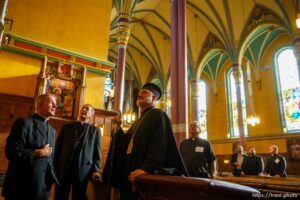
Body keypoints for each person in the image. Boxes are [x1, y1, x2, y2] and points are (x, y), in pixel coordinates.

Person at [114, 83, 187, 200]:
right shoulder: (138, 121)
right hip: (130, 175)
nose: (140, 94)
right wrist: (117, 127)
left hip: (143, 179)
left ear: (154, 98)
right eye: (140, 92)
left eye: (145, 92)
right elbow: (125, 143)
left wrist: (146, 168)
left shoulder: (158, 115)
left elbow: (159, 145)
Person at [2, 93, 59, 200]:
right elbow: (11, 152)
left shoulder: (53, 131)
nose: (55, 106)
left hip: (42, 189)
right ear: (40, 104)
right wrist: (38, 152)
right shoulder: (24, 123)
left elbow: (50, 159)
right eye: (51, 102)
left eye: (56, 104)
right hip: (21, 188)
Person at [54, 104, 102, 200]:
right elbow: (57, 148)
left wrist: (96, 170)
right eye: (82, 108)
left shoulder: (95, 131)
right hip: (64, 168)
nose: (83, 109)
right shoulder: (67, 127)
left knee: (79, 197)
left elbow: (97, 153)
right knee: (60, 196)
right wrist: (55, 166)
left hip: (83, 170)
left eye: (87, 109)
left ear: (92, 114)